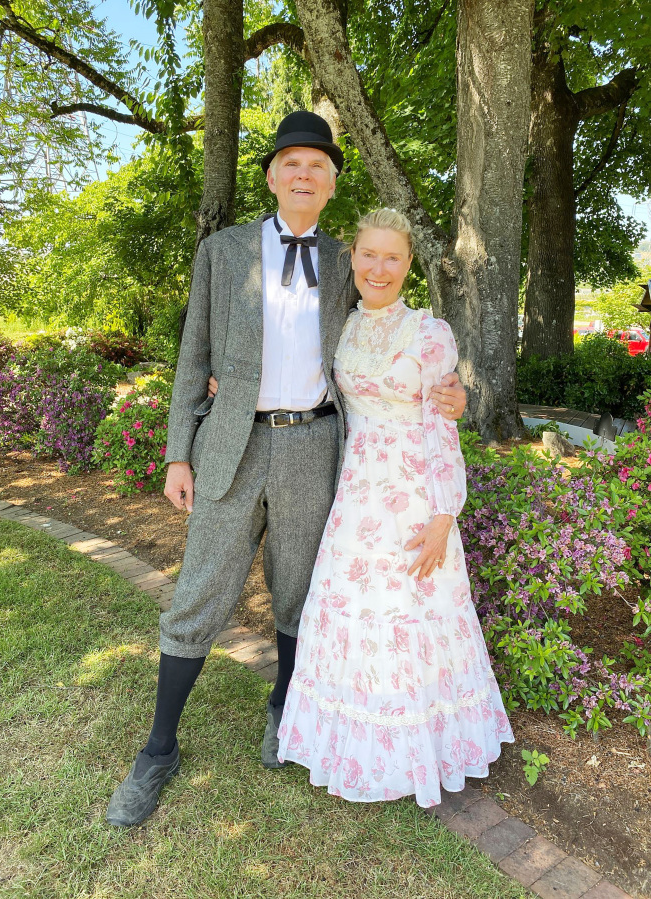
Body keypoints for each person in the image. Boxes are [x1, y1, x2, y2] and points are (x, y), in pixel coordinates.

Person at [106, 113, 466, 827]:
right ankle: (158, 748)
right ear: (272, 175)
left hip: (316, 446)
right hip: (232, 445)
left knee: (302, 591)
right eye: (290, 162)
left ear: (332, 183)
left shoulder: (350, 259)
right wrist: (179, 451)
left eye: (318, 164)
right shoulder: (222, 249)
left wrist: (455, 390)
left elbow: (397, 340)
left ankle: (284, 710)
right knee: (200, 589)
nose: (303, 173)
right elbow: (193, 357)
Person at [277, 209, 513, 807]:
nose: (379, 268)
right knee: (355, 611)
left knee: (410, 619)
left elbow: (443, 428)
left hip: (412, 499)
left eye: (393, 257)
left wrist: (444, 516)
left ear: (409, 265)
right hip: (355, 496)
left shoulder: (430, 334)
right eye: (368, 254)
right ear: (352, 258)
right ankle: (351, 742)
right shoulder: (343, 325)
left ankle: (422, 746)